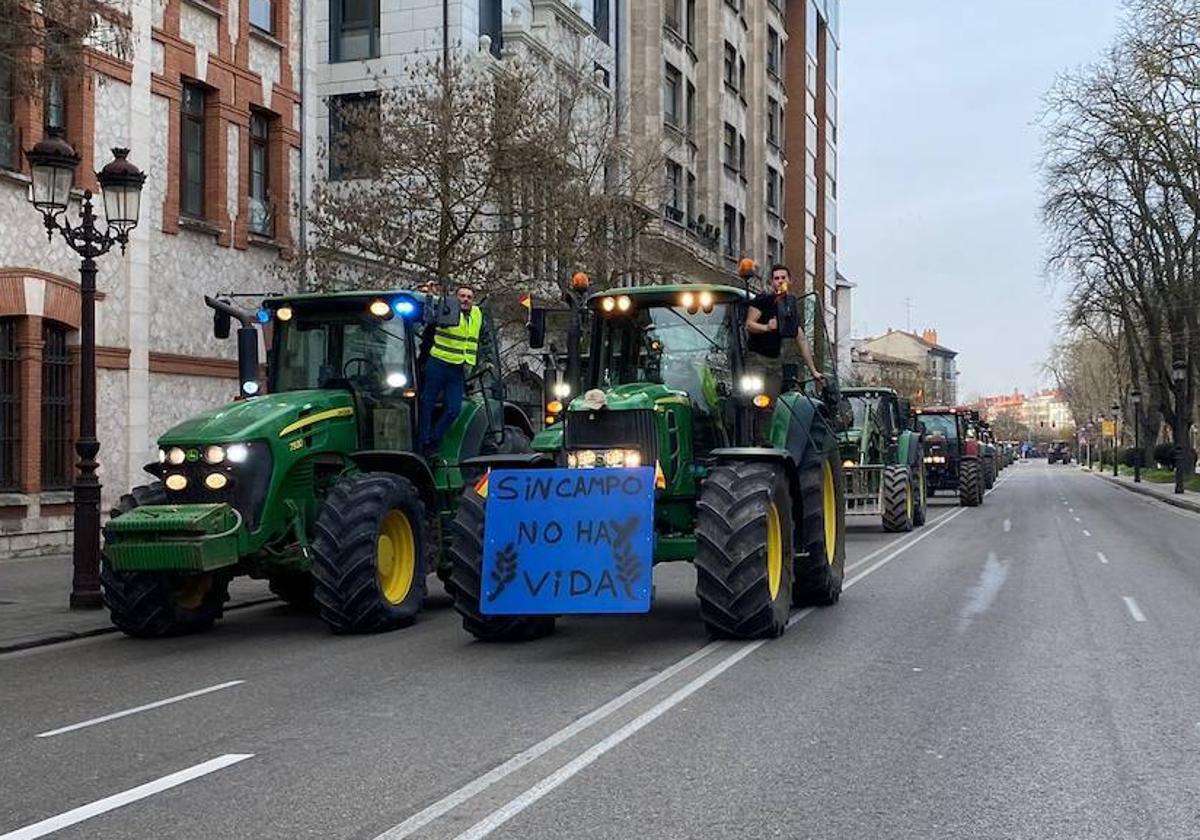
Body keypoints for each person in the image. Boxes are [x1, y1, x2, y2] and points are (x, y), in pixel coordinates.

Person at [419, 285, 482, 455]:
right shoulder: (447, 309)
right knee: (427, 403)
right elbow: (428, 318)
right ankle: (424, 441)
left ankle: (434, 438)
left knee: (454, 409)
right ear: (456, 298)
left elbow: (481, 339)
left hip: (457, 368)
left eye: (469, 297)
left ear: (473, 300)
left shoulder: (477, 314)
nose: (465, 299)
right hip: (438, 363)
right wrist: (430, 297)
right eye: (462, 296)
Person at [744, 264, 825, 395]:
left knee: (770, 403)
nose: (780, 281)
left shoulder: (790, 306)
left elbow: (801, 339)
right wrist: (766, 327)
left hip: (776, 362)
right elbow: (749, 324)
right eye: (776, 278)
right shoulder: (762, 301)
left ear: (789, 280)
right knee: (754, 399)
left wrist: (813, 370)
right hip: (757, 359)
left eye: (783, 277)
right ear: (771, 282)